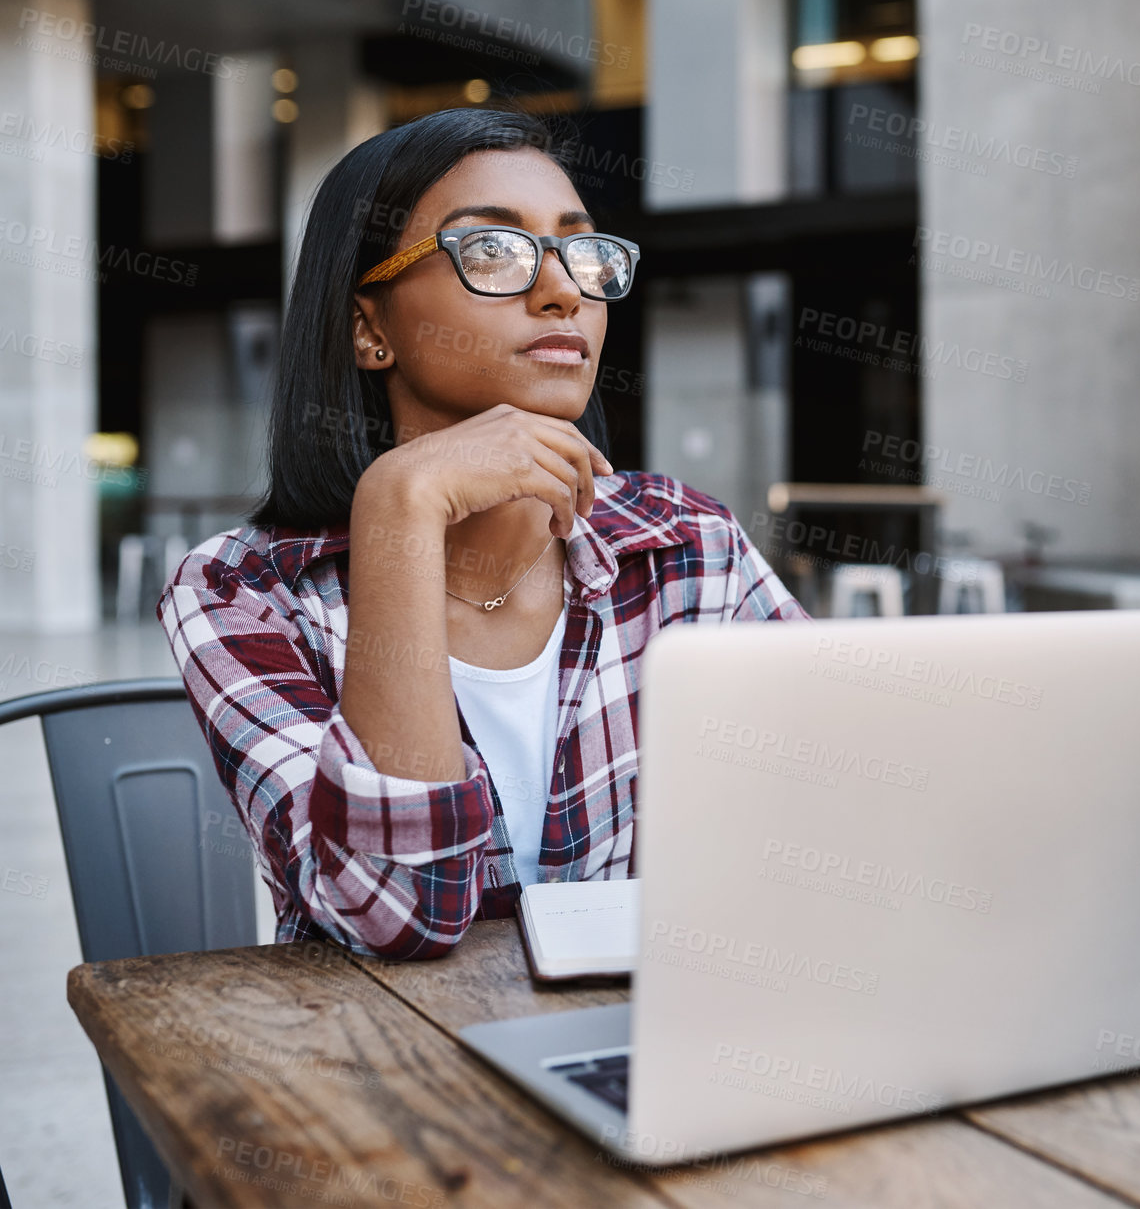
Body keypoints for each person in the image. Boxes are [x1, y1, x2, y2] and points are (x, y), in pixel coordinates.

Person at [156, 108, 809, 960]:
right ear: (369, 328)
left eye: (582, 251)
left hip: (651, 1048)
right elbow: (395, 917)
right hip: (380, 1063)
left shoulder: (687, 545)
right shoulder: (242, 595)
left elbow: (829, 827)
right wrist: (399, 508)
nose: (563, 290)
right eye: (493, 250)